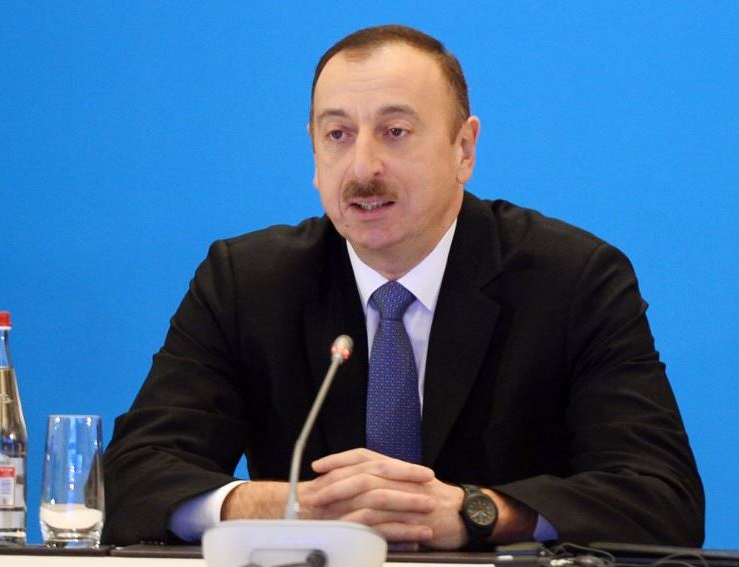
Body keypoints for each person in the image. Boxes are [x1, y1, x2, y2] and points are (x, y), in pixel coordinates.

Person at [103, 25, 704, 549]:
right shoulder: (247, 282)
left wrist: (476, 512)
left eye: (394, 131)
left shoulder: (573, 279)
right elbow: (132, 478)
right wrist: (288, 506)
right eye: (338, 135)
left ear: (463, 149)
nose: (363, 168)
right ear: (313, 152)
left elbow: (661, 495)